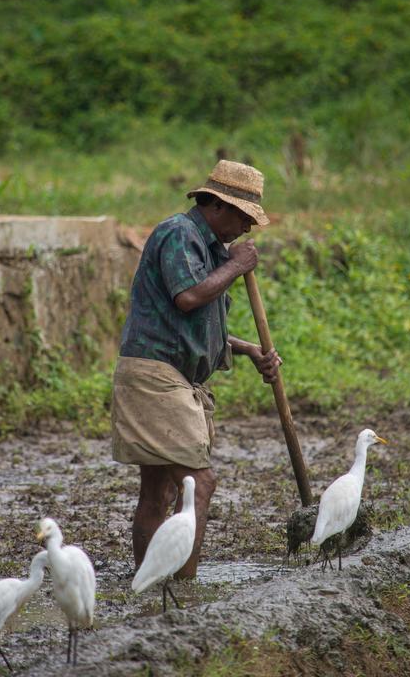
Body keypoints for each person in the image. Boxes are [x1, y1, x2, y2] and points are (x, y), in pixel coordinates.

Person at [111, 159, 281, 578]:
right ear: (219, 206)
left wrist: (250, 350)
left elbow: (196, 326)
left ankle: (148, 582)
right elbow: (188, 298)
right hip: (155, 377)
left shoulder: (210, 250)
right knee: (198, 484)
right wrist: (236, 265)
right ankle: (183, 589)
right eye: (244, 218)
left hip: (174, 376)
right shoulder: (178, 234)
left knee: (160, 490)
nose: (246, 229)